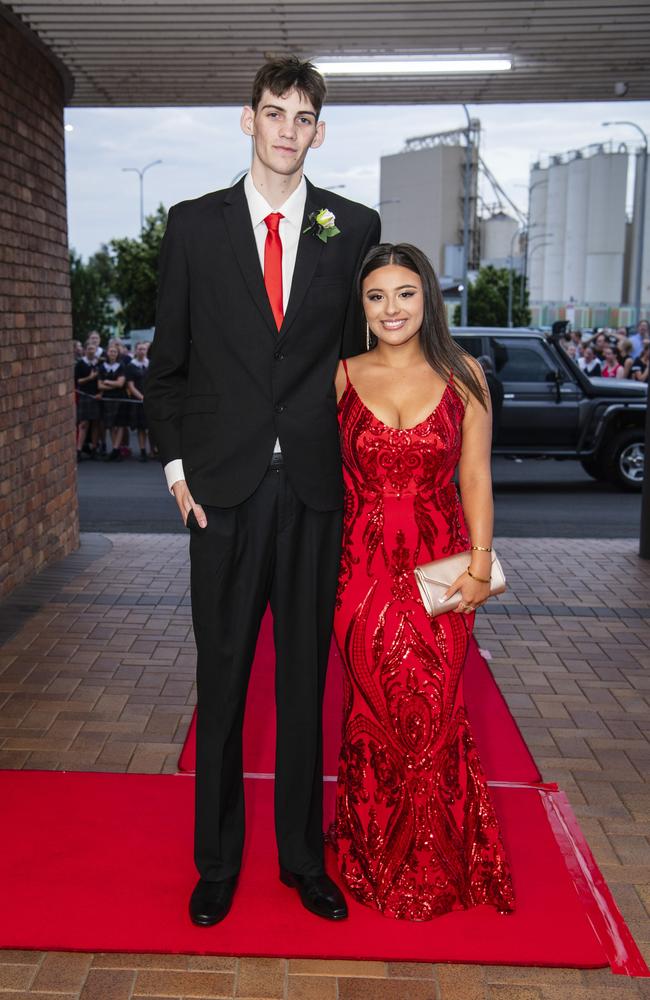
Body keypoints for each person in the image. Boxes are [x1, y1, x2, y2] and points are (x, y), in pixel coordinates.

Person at [145, 55, 381, 928]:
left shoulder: (350, 227)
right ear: (248, 119)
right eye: (273, 112)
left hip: (319, 491)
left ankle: (302, 861)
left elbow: (366, 358)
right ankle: (216, 862)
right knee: (225, 678)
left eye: (303, 117)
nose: (287, 129)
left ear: (319, 131)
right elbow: (165, 369)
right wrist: (176, 469)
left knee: (306, 687)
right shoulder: (194, 227)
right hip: (225, 493)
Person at [330, 243, 515, 920]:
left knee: (436, 713)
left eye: (405, 293)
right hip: (359, 576)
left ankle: (436, 858)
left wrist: (480, 563)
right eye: (376, 297)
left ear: (428, 297)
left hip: (440, 571)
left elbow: (475, 476)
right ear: (363, 307)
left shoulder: (464, 373)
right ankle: (373, 849)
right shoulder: (343, 376)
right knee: (373, 713)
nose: (392, 309)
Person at [97, 342, 128, 460]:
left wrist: (108, 382)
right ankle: (115, 448)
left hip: (120, 398)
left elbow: (121, 384)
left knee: (119, 424)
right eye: (111, 351)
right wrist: (113, 385)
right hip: (108, 399)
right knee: (110, 425)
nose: (113, 353)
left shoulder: (121, 366)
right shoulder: (102, 367)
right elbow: (99, 386)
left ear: (117, 353)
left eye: (115, 351)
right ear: (107, 353)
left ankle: (115, 449)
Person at [74, 340, 101, 461]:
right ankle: (78, 450)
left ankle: (94, 449)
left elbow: (102, 380)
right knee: (83, 424)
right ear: (85, 350)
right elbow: (78, 381)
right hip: (85, 396)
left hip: (96, 396)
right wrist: (90, 377)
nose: (91, 351)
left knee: (95, 423)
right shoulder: (80, 364)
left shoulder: (98, 364)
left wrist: (100, 393)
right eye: (89, 349)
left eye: (93, 349)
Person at [126, 341, 150, 461]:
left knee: (152, 427)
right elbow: (130, 386)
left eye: (144, 349)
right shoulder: (131, 366)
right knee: (141, 427)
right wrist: (142, 398)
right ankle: (142, 450)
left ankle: (154, 451)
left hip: (151, 400)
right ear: (136, 350)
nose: (142, 351)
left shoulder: (151, 364)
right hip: (139, 401)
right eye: (139, 349)